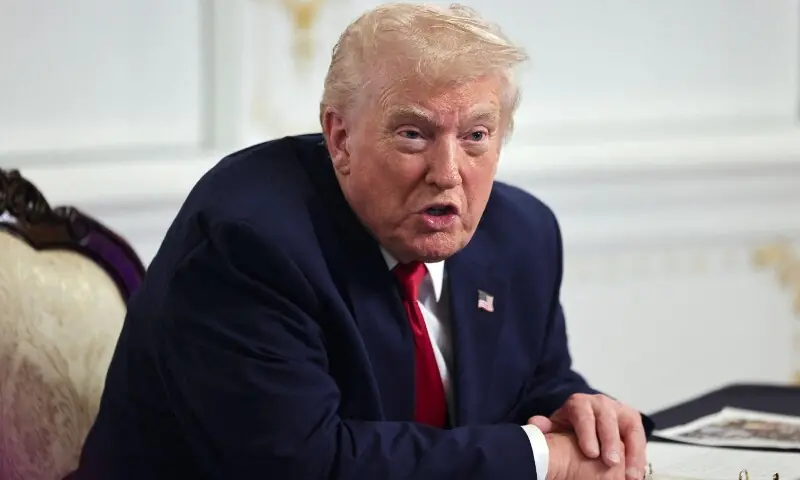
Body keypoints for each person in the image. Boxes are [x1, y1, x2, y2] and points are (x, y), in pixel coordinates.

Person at [72, 3, 653, 479]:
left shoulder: (521, 236)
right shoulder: (249, 244)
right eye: (412, 134)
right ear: (340, 137)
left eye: (476, 135)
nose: (448, 172)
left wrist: (575, 412)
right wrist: (537, 458)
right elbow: (305, 466)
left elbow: (532, 382)